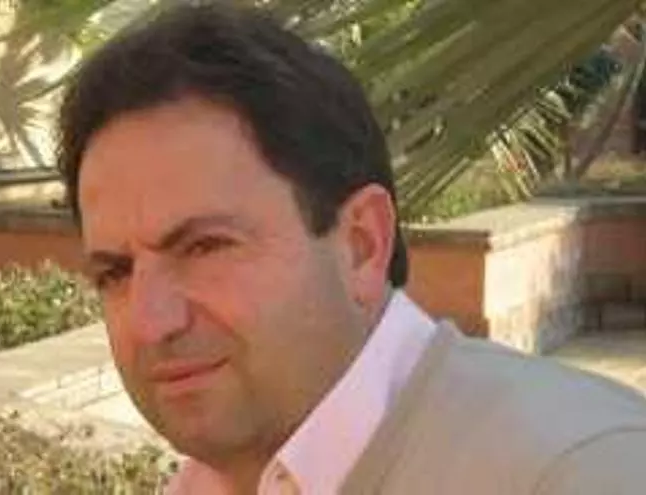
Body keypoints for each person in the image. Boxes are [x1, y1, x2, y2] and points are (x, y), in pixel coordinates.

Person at [57, 3, 646, 494]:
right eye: (115, 273)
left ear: (362, 245)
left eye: (205, 246)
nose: (152, 321)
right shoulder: (213, 480)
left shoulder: (581, 472)